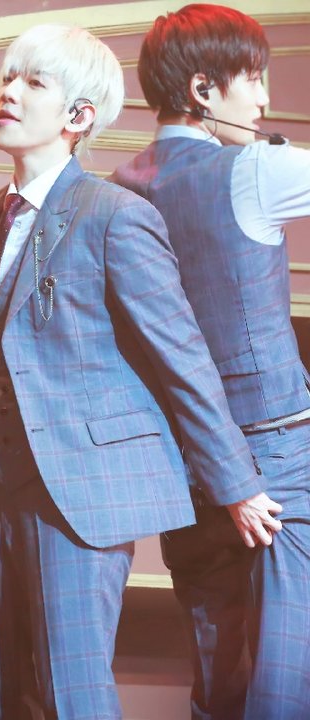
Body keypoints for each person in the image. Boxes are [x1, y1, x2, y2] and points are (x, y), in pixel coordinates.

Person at [0, 22, 280, 720]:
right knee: (1, 698)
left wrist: (237, 485)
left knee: (70, 698)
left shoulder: (115, 216)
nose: (8, 93)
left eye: (33, 82)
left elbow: (181, 358)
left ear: (78, 116)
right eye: (7, 77)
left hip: (76, 498)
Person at [110, 4, 310, 719]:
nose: (263, 99)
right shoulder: (256, 169)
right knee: (288, 680)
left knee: (221, 679)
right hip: (278, 458)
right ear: (202, 90)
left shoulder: (115, 189)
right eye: (252, 79)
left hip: (184, 469)